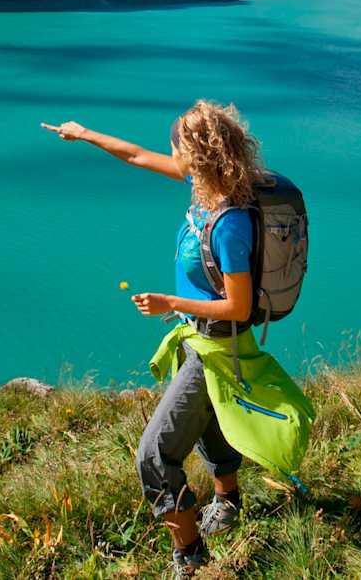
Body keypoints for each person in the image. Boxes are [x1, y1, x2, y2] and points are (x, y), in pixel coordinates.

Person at [41, 101, 262, 578]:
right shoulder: (204, 191)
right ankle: (228, 501)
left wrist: (172, 303)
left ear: (199, 153)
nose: (171, 149)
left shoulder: (230, 223)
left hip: (217, 346)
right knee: (209, 423)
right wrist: (84, 133)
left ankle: (191, 557)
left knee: (155, 456)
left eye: (180, 143)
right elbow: (138, 156)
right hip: (198, 341)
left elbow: (239, 308)